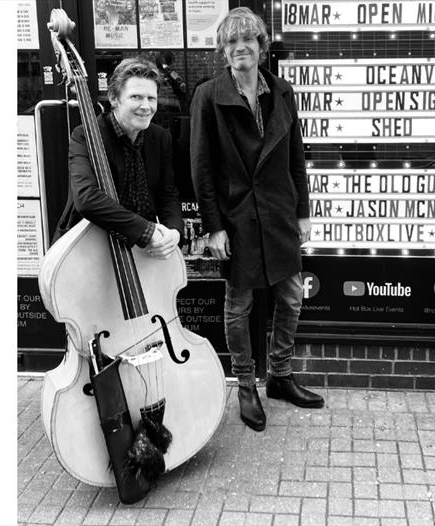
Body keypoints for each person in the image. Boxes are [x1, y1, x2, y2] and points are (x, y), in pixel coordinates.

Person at [189, 7, 323, 432]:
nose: (239, 47)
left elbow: (296, 159)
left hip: (281, 212)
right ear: (223, 51)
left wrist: (303, 211)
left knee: (291, 298)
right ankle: (246, 383)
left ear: (262, 47)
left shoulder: (281, 92)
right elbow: (201, 167)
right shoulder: (208, 96)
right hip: (238, 216)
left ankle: (280, 375)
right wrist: (214, 226)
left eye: (248, 40)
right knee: (239, 305)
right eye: (231, 42)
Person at [54, 57, 182, 261]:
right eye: (136, 97)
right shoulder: (85, 135)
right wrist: (146, 230)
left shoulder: (159, 137)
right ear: (114, 98)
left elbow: (167, 194)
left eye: (151, 98)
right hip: (87, 248)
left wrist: (174, 231)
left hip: (140, 250)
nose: (146, 106)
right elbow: (87, 198)